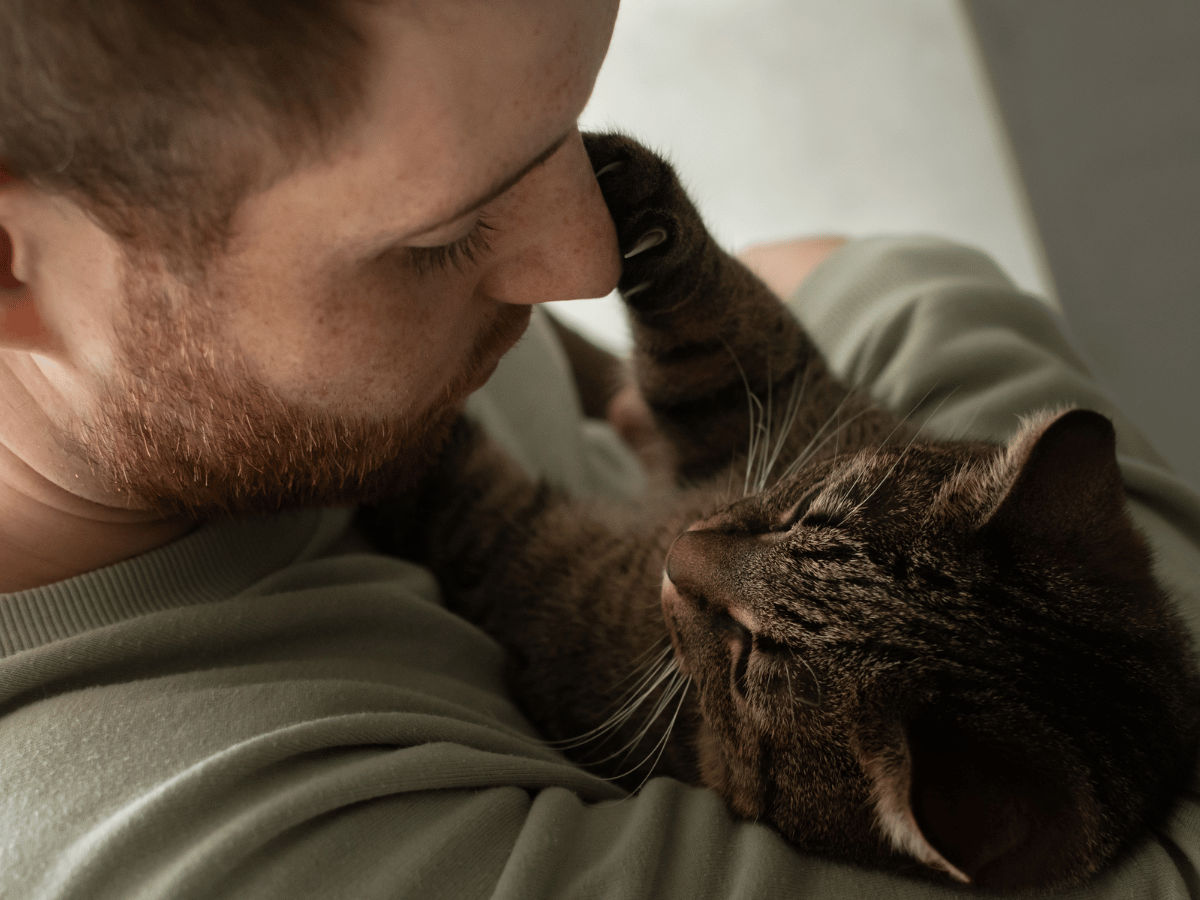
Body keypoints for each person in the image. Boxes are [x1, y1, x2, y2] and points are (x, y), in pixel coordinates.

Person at [1, 1, 1197, 898]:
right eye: (445, 230)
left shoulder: (241, 371)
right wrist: (917, 284)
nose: (582, 264)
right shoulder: (252, 856)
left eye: (561, 130)